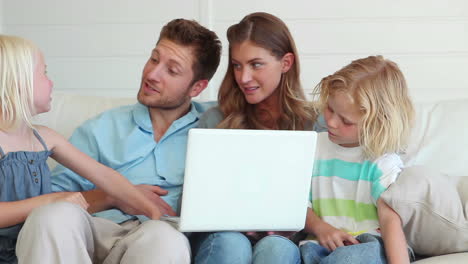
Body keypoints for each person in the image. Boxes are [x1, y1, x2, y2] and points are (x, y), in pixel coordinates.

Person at [14, 19, 222, 264]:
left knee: (166, 239)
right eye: (154, 59)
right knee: (50, 217)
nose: (152, 74)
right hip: (95, 229)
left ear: (197, 87)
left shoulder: (216, 124)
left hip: (157, 234)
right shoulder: (101, 128)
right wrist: (112, 196)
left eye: (172, 70)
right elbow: (52, 197)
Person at [0, 35, 165, 263]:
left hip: (33, 249)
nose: (51, 82)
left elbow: (104, 175)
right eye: (44, 72)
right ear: (18, 81)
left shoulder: (45, 138)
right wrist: (48, 201)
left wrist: (151, 210)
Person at [194, 12, 319, 264]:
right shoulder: (215, 120)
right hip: (224, 232)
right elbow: (196, 198)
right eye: (237, 65)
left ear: (286, 63)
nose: (243, 77)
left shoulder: (314, 124)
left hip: (285, 238)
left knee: (276, 248)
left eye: (256, 64)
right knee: (232, 243)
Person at [300, 55, 416, 264]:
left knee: (345, 259)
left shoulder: (383, 163)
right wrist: (321, 228)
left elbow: (391, 223)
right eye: (330, 109)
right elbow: (298, 204)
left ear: (377, 124)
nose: (332, 123)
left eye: (345, 120)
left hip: (366, 245)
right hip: (317, 243)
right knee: (275, 248)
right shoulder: (312, 147)